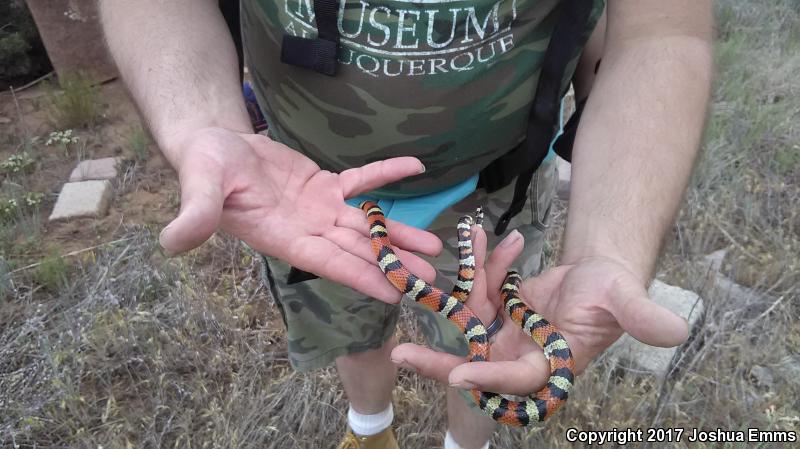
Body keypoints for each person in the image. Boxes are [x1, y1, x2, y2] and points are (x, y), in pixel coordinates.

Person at [100, 1, 712, 447]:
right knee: (352, 324)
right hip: (302, 191)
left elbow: (662, 33)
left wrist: (609, 248)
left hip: (495, 186)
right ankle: (369, 429)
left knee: (485, 346)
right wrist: (201, 124)